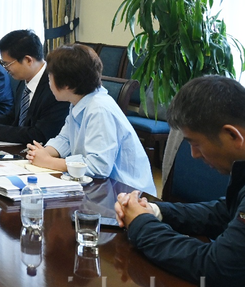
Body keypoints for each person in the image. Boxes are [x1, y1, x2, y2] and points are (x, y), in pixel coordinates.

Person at [115, 76, 245, 287]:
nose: (193, 154)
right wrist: (156, 211)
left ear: (232, 135)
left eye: (195, 143)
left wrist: (141, 224)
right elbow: (225, 212)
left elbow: (215, 267)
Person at [25, 43, 156, 194]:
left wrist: (49, 161)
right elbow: (65, 139)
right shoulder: (79, 101)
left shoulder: (99, 109)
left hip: (126, 192)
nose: (49, 82)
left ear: (67, 84)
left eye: (50, 77)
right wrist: (44, 153)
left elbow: (98, 167)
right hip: (101, 188)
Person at [0, 29, 69, 145]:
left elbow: (39, 134)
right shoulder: (23, 80)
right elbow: (13, 118)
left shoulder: (55, 87)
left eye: (7, 64)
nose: (5, 69)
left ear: (28, 60)